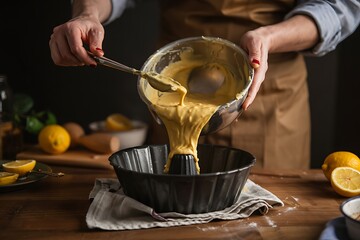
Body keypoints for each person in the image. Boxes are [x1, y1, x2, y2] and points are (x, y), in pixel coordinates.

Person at [49, 0, 359, 169]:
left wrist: (269, 38)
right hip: (171, 83)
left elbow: (340, 6)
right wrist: (87, 15)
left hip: (270, 95)